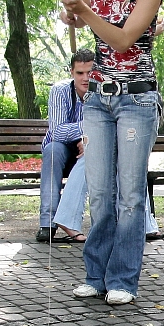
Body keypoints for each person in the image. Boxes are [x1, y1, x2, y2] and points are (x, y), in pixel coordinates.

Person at [60, 0, 163, 305]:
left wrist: (83, 13)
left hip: (136, 99)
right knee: (100, 192)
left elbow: (121, 39)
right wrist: (71, 14)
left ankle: (122, 279)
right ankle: (95, 274)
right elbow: (80, 22)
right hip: (99, 98)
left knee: (131, 196)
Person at [36, 49, 95, 243]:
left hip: (90, 150)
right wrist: (87, 130)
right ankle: (47, 223)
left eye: (90, 72)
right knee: (52, 150)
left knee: (96, 152)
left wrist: (88, 140)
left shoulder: (102, 91)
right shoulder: (60, 91)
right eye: (80, 73)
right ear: (71, 72)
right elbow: (57, 132)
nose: (85, 78)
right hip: (63, 149)